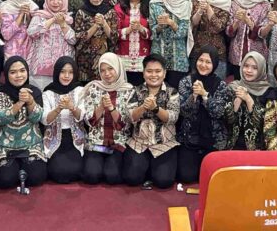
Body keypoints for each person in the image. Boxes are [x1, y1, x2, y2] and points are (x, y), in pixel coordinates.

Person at [122, 54, 180, 189]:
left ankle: (152, 169)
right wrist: (143, 107)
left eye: (158, 71)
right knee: (131, 179)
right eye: (149, 71)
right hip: (139, 143)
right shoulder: (135, 91)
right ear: (143, 73)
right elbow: (129, 117)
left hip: (164, 144)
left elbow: (173, 118)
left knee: (164, 181)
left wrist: (156, 108)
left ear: (164, 73)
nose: (153, 75)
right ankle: (146, 168)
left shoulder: (172, 92)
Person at [176, 47, 231, 184]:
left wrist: (205, 95)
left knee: (213, 177)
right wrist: (194, 96)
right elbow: (183, 112)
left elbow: (218, 113)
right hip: (190, 137)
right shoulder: (186, 82)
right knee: (186, 177)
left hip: (214, 139)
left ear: (214, 65)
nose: (203, 65)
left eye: (208, 62)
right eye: (201, 60)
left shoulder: (221, 85)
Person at [0, 56, 47, 189]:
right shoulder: (0, 93)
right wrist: (19, 103)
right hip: (5, 146)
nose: (19, 75)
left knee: (37, 177)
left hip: (31, 145)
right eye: (13, 72)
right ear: (6, 74)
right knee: (5, 180)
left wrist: (30, 101)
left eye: (22, 71)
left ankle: (22, 169)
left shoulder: (34, 91)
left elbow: (37, 118)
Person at [81, 53, 134, 185]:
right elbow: (89, 121)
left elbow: (126, 124)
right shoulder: (94, 88)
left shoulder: (128, 90)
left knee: (112, 177)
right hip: (96, 142)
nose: (107, 74)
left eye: (110, 69)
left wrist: (111, 108)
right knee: (91, 176)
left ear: (118, 68)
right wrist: (101, 107)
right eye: (103, 70)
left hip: (118, 142)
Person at [42, 56, 87, 184]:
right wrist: (58, 108)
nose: (67, 76)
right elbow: (45, 120)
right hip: (54, 136)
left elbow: (82, 116)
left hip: (75, 136)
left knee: (76, 169)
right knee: (58, 172)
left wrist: (72, 107)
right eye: (62, 72)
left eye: (70, 72)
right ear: (57, 72)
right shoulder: (48, 92)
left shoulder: (80, 90)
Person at [149, 0, 193, 88]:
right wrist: (160, 26)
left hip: (178, 59)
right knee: (157, 91)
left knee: (176, 92)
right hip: (159, 54)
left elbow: (184, 32)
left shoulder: (185, 3)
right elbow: (152, 31)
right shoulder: (154, 3)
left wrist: (171, 23)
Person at [27, 0, 76, 90]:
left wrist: (62, 24)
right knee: (40, 96)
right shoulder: (39, 16)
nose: (55, 2)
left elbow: (73, 40)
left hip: (62, 71)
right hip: (40, 69)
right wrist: (52, 20)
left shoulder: (68, 19)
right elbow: (31, 33)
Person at [190, 0, 232, 80]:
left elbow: (219, 27)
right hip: (198, 50)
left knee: (216, 86)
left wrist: (208, 8)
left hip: (218, 53)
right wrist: (199, 11)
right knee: (196, 85)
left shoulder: (225, 1)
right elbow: (193, 23)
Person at [227, 0, 271, 79]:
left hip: (257, 55)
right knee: (238, 85)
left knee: (256, 86)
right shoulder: (235, 3)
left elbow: (263, 33)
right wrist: (237, 21)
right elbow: (228, 31)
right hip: (237, 55)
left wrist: (248, 21)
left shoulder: (264, 4)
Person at [74, 0, 118, 83]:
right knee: (86, 87)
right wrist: (95, 26)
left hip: (104, 59)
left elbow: (114, 38)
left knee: (105, 85)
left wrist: (104, 23)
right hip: (85, 61)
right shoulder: (81, 12)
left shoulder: (110, 12)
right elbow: (78, 38)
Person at [225, 51, 269, 151]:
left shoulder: (267, 92)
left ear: (261, 69)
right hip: (233, 147)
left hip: (257, 149)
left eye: (255, 68)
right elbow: (227, 121)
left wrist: (248, 99)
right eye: (246, 66)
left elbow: (264, 124)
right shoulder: (233, 87)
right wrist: (238, 100)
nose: (249, 70)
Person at [114, 0, 152, 86]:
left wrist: (141, 29)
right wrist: (128, 30)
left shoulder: (148, 9)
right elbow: (113, 34)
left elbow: (154, 34)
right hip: (123, 56)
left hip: (142, 57)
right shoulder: (118, 9)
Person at [0, 0, 39, 64]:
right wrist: (20, 15)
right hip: (12, 52)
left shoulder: (33, 6)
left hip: (30, 52)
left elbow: (35, 33)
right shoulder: (6, 6)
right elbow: (6, 35)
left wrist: (28, 16)